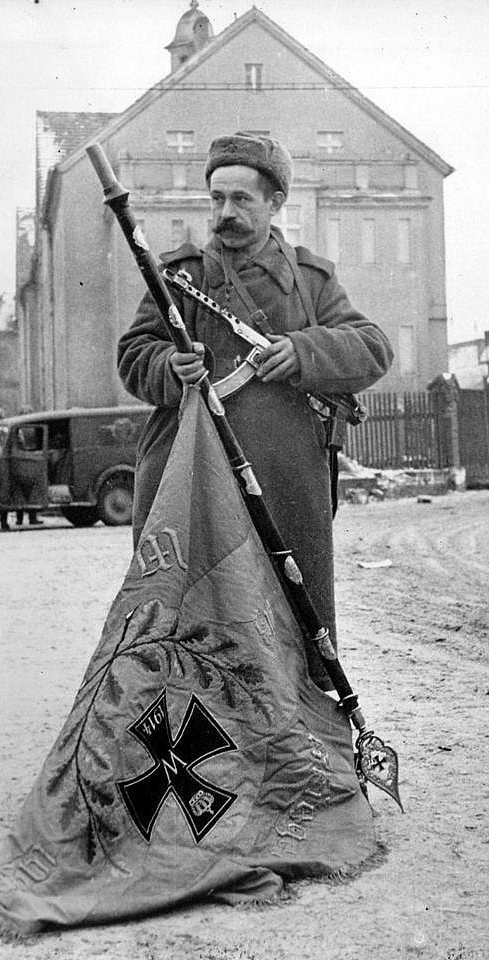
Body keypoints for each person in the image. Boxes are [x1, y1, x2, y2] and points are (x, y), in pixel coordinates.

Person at [117, 132, 393, 689]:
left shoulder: (312, 282)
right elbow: (132, 356)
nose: (226, 213)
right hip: (192, 480)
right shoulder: (177, 276)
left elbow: (374, 346)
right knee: (188, 627)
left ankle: (301, 753)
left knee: (295, 625)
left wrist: (304, 351)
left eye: (242, 199)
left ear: (274, 204)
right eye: (217, 199)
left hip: (285, 483)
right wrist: (171, 368)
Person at [14, 405, 42, 527]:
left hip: (22, 459)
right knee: (31, 490)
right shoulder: (34, 427)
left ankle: (20, 519)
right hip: (32, 459)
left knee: (21, 491)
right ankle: (32, 518)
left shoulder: (17, 428)